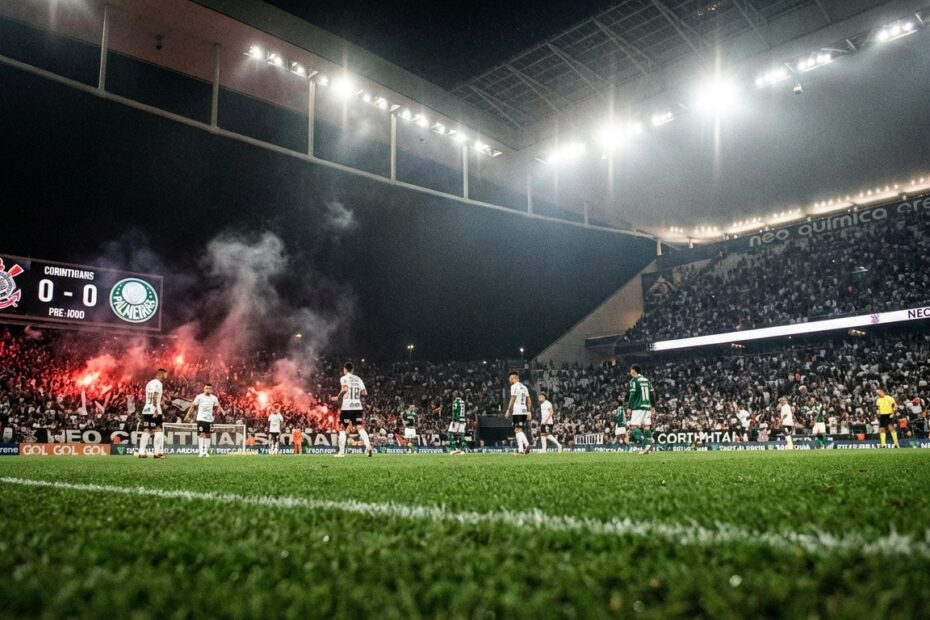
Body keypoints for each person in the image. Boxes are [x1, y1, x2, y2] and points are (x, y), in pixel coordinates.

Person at [333, 362, 371, 457]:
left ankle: (341, 452)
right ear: (352, 370)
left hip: (347, 407)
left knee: (342, 427)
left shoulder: (343, 378)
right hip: (358, 407)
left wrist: (338, 397)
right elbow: (364, 393)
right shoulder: (358, 378)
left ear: (345, 370)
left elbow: (345, 389)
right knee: (360, 427)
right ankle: (368, 446)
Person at [188, 383, 223, 458]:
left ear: (212, 390)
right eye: (207, 388)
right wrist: (189, 415)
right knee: (201, 434)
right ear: (204, 389)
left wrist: (217, 413)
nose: (208, 390)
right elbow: (193, 406)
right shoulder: (199, 397)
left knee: (208, 435)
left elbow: (217, 407)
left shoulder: (214, 398)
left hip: (209, 419)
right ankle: (201, 452)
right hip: (201, 418)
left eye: (210, 388)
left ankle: (206, 452)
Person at [139, 368, 167, 459]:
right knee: (158, 429)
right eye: (166, 374)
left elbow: (148, 396)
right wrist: (155, 409)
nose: (166, 377)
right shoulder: (159, 383)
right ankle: (157, 453)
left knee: (147, 430)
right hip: (155, 410)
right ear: (161, 374)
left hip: (146, 409)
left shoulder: (149, 383)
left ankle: (142, 452)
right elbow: (155, 395)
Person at [627, 365, 656, 454]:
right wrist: (653, 406)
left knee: (634, 427)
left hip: (637, 407)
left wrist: (629, 407)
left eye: (631, 371)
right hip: (647, 406)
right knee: (646, 427)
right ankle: (647, 448)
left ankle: (645, 444)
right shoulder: (647, 380)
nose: (630, 373)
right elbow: (652, 393)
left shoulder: (634, 381)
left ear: (634, 371)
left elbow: (632, 394)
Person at [505, 371, 532, 454]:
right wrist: (529, 411)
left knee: (518, 429)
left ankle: (527, 444)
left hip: (517, 410)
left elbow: (513, 398)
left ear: (514, 378)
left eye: (510, 378)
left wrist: (508, 410)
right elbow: (529, 400)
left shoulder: (514, 386)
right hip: (524, 410)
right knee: (518, 430)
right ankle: (520, 450)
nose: (509, 380)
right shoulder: (524, 387)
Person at [448, 391, 467, 455]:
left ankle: (454, 449)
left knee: (450, 433)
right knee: (462, 434)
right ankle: (462, 450)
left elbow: (454, 411)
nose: (452, 395)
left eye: (453, 394)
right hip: (463, 419)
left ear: (456, 395)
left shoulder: (455, 402)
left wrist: (453, 421)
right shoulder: (463, 402)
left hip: (456, 420)